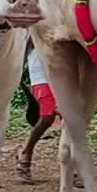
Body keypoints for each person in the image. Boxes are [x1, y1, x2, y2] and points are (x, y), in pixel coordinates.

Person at [16, 39, 62, 184]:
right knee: (48, 115)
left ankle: (72, 167)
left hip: (64, 66)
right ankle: (26, 151)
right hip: (40, 66)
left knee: (71, 117)